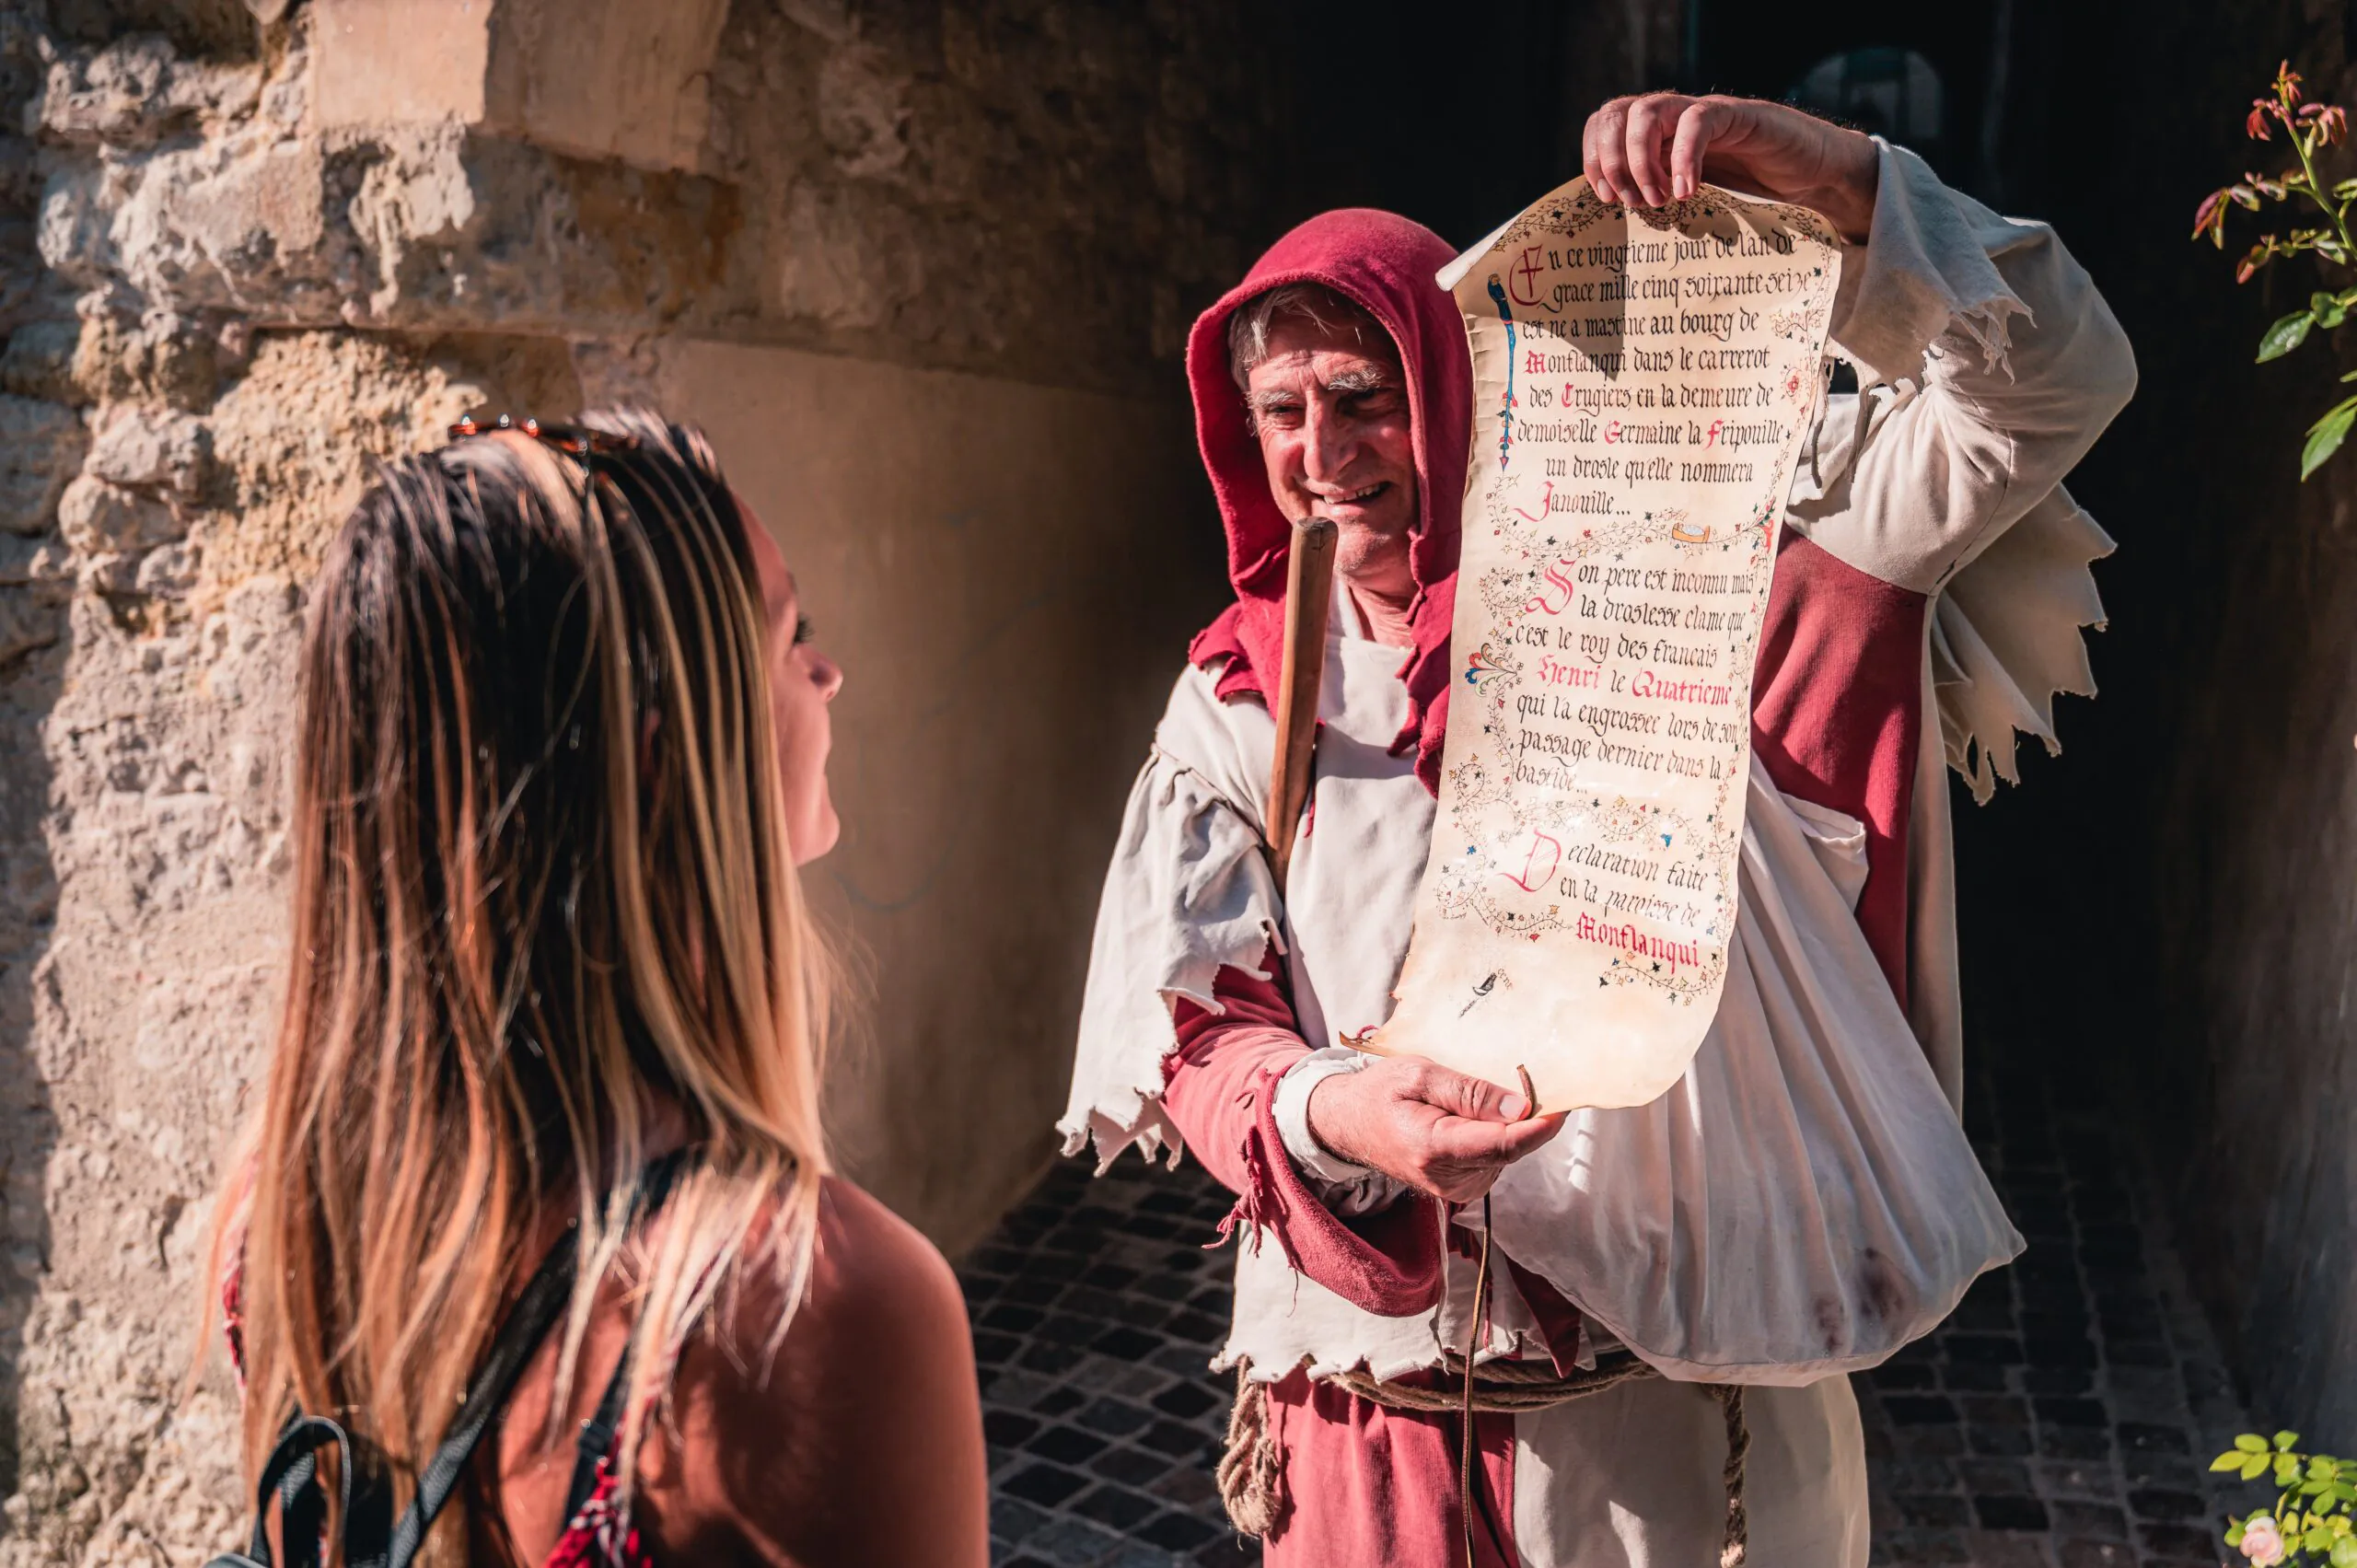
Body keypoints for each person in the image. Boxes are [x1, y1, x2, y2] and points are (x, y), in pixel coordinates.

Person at [1063, 93, 2135, 1565]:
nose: (1326, 450)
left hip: (1670, 1439)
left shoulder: (1712, 588)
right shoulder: (1243, 692)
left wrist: (1841, 182)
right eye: (1283, 410)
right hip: (1361, 1418)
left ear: (1460, 379)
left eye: (1368, 393)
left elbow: (2049, 383)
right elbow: (1196, 1025)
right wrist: (1336, 1109)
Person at [203, 410, 988, 1567]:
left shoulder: (278, 1208)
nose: (828, 670)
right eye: (787, 636)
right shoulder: (806, 1311)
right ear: (669, 760)